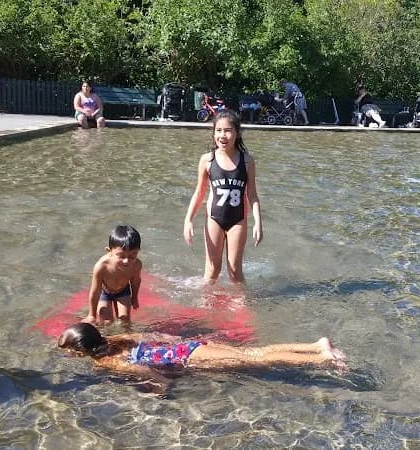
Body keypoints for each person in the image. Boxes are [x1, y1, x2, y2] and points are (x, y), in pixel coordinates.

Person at [58, 323, 346, 378]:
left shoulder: (106, 362)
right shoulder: (118, 339)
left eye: (69, 350)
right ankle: (316, 346)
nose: (67, 355)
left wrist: (159, 389)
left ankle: (322, 357)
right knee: (255, 352)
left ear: (82, 349)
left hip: (189, 358)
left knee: (257, 359)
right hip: (191, 347)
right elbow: (151, 335)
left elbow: (143, 371)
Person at [183, 109, 263, 285]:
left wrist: (258, 222)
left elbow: (252, 195)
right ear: (213, 133)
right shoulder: (207, 160)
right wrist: (188, 220)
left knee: (235, 270)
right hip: (214, 219)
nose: (222, 135)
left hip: (238, 220)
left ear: (237, 133)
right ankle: (206, 305)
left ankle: (241, 304)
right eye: (218, 130)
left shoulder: (247, 161)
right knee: (212, 270)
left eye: (228, 130)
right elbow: (199, 192)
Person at [83, 225, 143, 324]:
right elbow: (95, 292)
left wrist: (134, 298)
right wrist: (91, 315)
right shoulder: (101, 266)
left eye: (133, 255)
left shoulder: (136, 265)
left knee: (125, 321)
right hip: (105, 292)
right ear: (109, 251)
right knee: (106, 322)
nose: (126, 261)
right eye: (121, 256)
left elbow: (135, 282)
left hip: (123, 290)